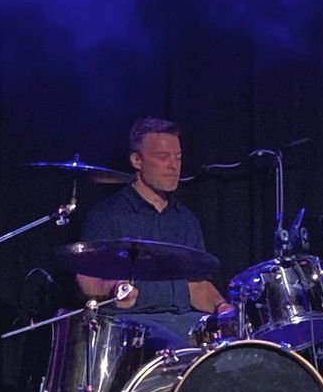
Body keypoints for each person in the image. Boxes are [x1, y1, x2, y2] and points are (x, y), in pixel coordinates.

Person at [75, 118, 227, 347]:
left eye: (178, 158)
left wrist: (223, 308)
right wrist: (113, 289)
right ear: (137, 160)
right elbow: (85, 279)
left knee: (237, 352)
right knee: (177, 349)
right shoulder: (108, 216)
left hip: (184, 322)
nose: (174, 166)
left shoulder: (186, 220)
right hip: (133, 327)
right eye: (163, 157)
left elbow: (196, 286)